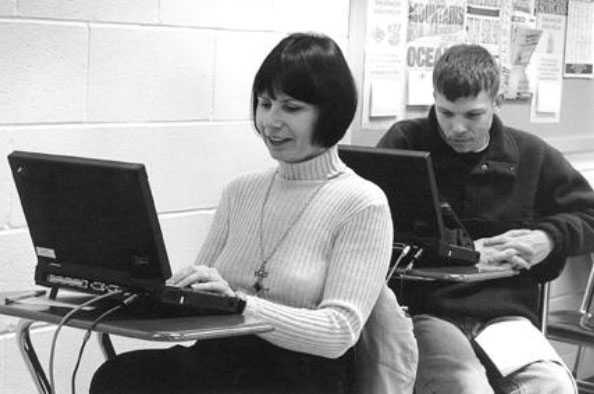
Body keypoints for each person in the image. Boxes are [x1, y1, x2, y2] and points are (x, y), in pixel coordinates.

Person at [90, 32, 416, 394]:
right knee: (118, 377)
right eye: (264, 104)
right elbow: (199, 301)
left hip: (298, 376)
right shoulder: (240, 190)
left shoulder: (363, 203)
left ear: (331, 112)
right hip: (218, 359)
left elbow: (338, 332)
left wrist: (240, 305)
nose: (271, 122)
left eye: (291, 108)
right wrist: (141, 291)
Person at [377, 43, 594, 394]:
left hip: (505, 319)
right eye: (446, 113)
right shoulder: (405, 143)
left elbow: (589, 214)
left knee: (552, 386)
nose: (456, 128)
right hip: (430, 313)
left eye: (473, 115)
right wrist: (464, 254)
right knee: (468, 387)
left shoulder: (532, 154)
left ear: (498, 102)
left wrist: (549, 238)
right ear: (433, 97)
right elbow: (372, 231)